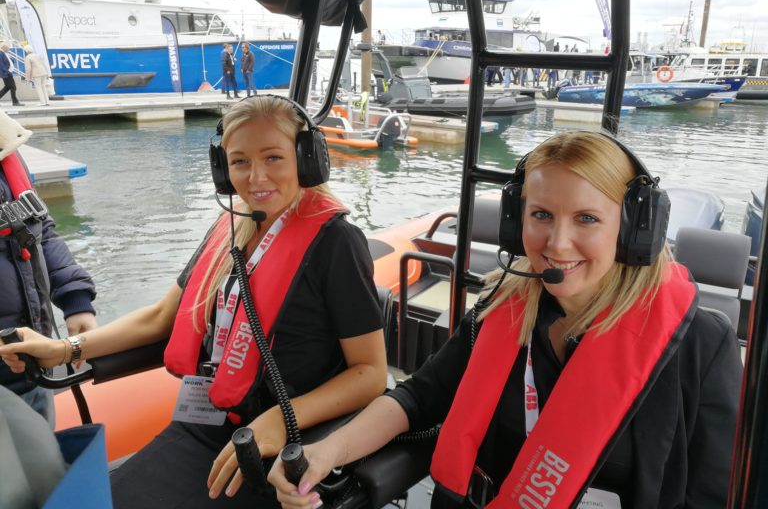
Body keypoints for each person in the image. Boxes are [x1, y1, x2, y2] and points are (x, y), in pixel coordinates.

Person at [268, 130, 742, 509]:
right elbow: (417, 398)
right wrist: (326, 451)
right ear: (517, 223)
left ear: (636, 229)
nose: (557, 243)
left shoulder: (700, 345)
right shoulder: (501, 308)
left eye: (587, 219)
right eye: (541, 215)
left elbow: (713, 492)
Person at [0, 95, 387, 508]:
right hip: (204, 426)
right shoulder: (231, 227)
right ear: (223, 169)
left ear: (307, 159)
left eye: (274, 157)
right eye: (239, 162)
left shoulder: (337, 243)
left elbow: (370, 373)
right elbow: (162, 316)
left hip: (286, 445)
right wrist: (63, 349)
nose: (256, 177)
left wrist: (278, 419)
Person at [0, 110, 96, 428]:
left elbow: (41, 230)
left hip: (31, 371)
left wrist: (75, 300)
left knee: (41, 465)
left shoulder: (8, 152)